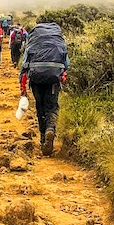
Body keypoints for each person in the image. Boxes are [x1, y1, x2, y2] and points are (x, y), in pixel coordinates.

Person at [19, 21, 69, 157]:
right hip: (53, 78)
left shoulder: (33, 42)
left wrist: (21, 84)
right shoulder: (59, 42)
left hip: (36, 78)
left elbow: (24, 64)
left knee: (39, 106)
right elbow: (66, 64)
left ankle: (42, 138)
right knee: (51, 106)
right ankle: (50, 129)